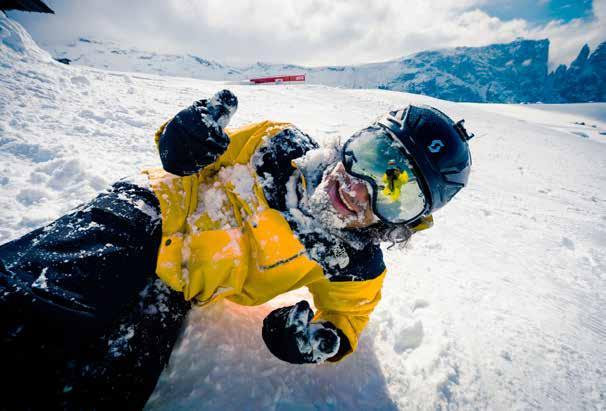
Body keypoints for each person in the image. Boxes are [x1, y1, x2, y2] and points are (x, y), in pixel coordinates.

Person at [0, 89, 473, 409]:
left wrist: (318, 341)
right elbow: (198, 148)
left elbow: (347, 320)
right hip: (146, 216)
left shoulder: (353, 263)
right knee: (38, 302)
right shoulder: (279, 146)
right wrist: (181, 138)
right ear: (352, 140)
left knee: (109, 385)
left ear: (409, 222)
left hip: (179, 289)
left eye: (394, 193)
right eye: (371, 155)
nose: (358, 188)